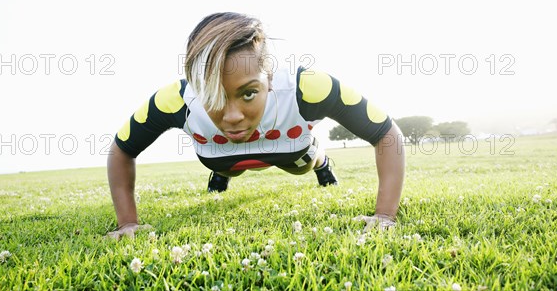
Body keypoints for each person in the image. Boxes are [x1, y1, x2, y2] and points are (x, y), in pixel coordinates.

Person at [107, 12, 405, 239]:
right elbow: (122, 149)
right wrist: (128, 223)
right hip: (220, 154)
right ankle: (221, 177)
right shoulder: (176, 98)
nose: (233, 116)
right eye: (214, 97)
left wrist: (384, 216)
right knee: (223, 165)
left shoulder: (308, 86)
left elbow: (386, 133)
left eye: (248, 93)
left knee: (304, 163)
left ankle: (323, 164)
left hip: (291, 151)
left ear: (269, 77)